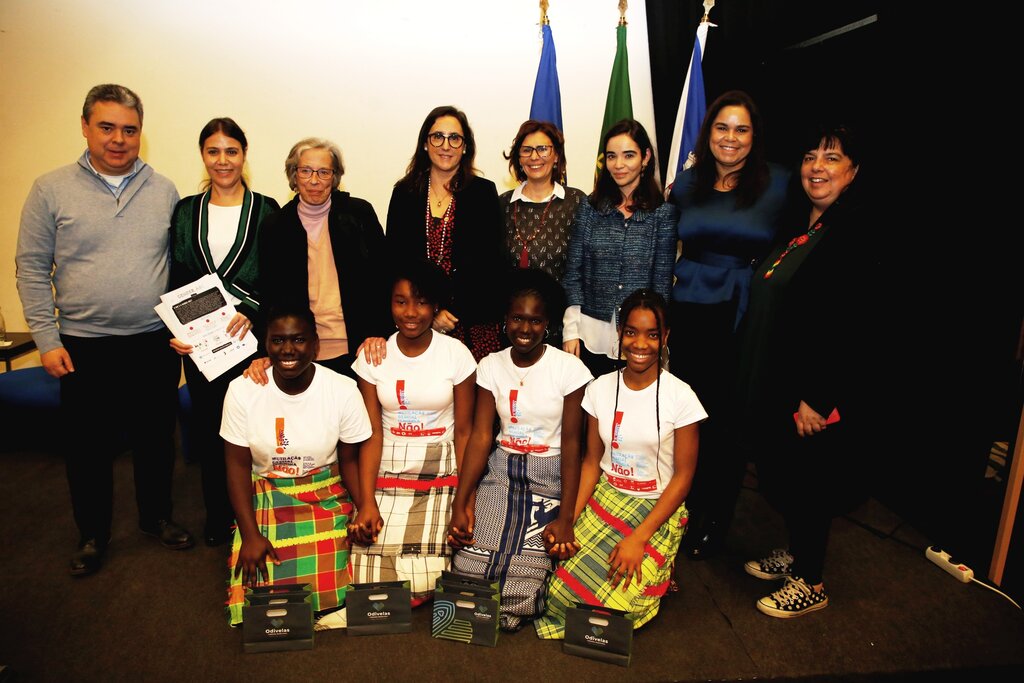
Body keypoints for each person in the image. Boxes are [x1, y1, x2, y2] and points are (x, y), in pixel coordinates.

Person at [16, 83, 193, 576]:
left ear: (141, 133)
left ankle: (156, 518)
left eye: (129, 130)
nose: (118, 139)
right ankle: (92, 534)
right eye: (107, 127)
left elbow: (178, 268)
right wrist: (46, 340)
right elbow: (31, 268)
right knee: (87, 448)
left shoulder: (164, 190)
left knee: (156, 440)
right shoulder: (50, 189)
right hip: (82, 345)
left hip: (152, 342)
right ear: (85, 127)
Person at [736, 124, 876, 618]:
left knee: (810, 483)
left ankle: (810, 580)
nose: (818, 167)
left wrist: (819, 395)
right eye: (811, 156)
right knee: (787, 477)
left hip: (811, 393)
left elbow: (854, 325)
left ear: (853, 172)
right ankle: (797, 553)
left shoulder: (854, 235)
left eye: (832, 158)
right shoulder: (801, 228)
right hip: (777, 380)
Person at [535, 289, 706, 638]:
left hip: (656, 507)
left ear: (665, 337)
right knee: (559, 595)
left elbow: (683, 478)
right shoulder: (600, 388)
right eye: (631, 332)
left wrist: (638, 539)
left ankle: (663, 566)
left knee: (615, 610)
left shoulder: (681, 396)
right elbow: (591, 463)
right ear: (619, 334)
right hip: (608, 497)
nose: (640, 344)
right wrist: (568, 519)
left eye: (652, 334)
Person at [667, 91, 790, 559]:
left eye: (741, 129)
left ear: (754, 136)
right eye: (722, 127)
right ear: (709, 133)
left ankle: (714, 517)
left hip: (742, 312)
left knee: (728, 421)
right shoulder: (687, 184)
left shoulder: (778, 184)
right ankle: (683, 507)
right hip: (689, 309)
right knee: (688, 416)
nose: (730, 138)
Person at [448, 268, 592, 632]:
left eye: (535, 321)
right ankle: (488, 610)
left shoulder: (569, 369)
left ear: (548, 325)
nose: (524, 329)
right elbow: (481, 435)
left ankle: (508, 611)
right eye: (517, 318)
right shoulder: (490, 365)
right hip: (501, 471)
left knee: (528, 572)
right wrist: (461, 502)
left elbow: (573, 444)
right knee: (469, 562)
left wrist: (567, 517)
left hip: (550, 475)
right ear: (504, 320)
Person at [221, 305, 371, 626]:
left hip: (323, 493)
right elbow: (236, 466)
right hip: (267, 492)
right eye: (278, 341)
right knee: (258, 588)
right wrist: (250, 534)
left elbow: (349, 460)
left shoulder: (342, 389)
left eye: (299, 340)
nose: (288, 349)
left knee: (337, 587)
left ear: (315, 344)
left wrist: (364, 508)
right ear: (266, 344)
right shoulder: (242, 391)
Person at [169, 118, 280, 547]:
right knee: (213, 430)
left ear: (244, 154)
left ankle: (263, 513)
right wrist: (176, 329)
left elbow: (280, 276)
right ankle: (219, 515)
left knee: (256, 430)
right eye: (213, 151)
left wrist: (252, 310)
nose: (223, 160)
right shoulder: (186, 211)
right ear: (203, 155)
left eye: (231, 151)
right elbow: (178, 275)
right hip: (202, 346)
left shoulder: (266, 209)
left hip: (251, 341)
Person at [349, 259, 476, 605]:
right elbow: (372, 434)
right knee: (365, 577)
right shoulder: (373, 356)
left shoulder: (456, 355)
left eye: (421, 302)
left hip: (441, 466)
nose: (410, 312)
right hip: (388, 465)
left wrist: (465, 501)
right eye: (401, 301)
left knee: (426, 578)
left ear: (435, 306)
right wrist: (366, 502)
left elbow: (465, 433)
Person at [248, 137, 390, 382]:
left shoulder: (359, 215)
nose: (314, 181)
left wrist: (380, 332)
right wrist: (265, 351)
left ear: (334, 178)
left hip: (359, 349)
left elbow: (383, 276)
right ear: (294, 176)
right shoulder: (275, 226)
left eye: (324, 172)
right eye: (306, 171)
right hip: (299, 351)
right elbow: (269, 295)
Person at [386, 106, 504, 362]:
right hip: (417, 319)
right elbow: (396, 261)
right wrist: (430, 311)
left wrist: (450, 312)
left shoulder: (482, 193)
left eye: (455, 138)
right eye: (438, 136)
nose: (446, 145)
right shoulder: (404, 193)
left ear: (465, 147)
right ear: (425, 143)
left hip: (472, 320)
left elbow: (490, 264)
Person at [561, 119, 677, 378]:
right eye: (612, 156)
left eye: (629, 155)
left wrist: (658, 337)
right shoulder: (589, 208)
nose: (619, 164)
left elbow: (661, 286)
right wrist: (571, 330)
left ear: (645, 157)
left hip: (640, 338)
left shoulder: (662, 214)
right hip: (590, 336)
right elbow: (573, 272)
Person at [498, 120, 585, 281]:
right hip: (510, 297)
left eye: (542, 149)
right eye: (526, 150)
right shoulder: (502, 204)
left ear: (556, 156)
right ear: (519, 158)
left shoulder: (576, 201)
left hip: (562, 297)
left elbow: (586, 265)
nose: (534, 157)